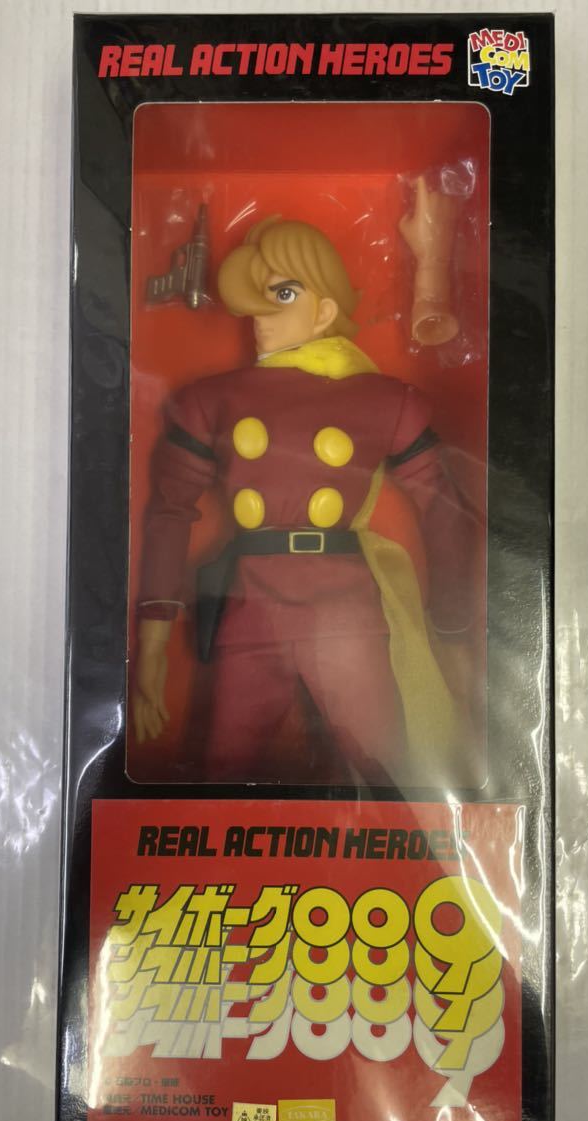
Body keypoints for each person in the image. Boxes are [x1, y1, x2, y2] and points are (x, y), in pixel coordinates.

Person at [133, 189, 478, 786]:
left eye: (283, 295)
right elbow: (168, 512)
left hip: (344, 608)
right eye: (255, 301)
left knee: (384, 769)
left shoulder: (382, 401)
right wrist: (154, 641)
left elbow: (445, 511)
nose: (260, 318)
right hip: (249, 606)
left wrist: (452, 629)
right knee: (221, 774)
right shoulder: (212, 401)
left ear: (324, 311)